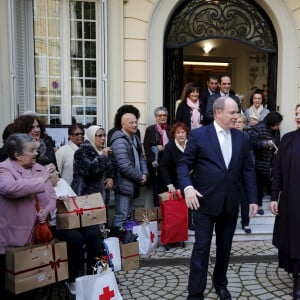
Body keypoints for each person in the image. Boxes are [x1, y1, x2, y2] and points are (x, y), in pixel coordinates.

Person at [177, 96, 258, 300]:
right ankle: (195, 292)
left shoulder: (243, 138)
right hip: (203, 202)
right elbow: (183, 165)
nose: (237, 116)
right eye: (232, 112)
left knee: (225, 248)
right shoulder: (199, 135)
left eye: (237, 112)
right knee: (202, 248)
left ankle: (220, 283)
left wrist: (253, 199)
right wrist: (187, 187)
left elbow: (248, 170)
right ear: (218, 112)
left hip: (230, 202)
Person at [0, 133, 56, 299]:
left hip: (37, 236)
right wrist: (43, 179)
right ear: (17, 155)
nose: (36, 154)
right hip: (14, 239)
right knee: (12, 285)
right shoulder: (4, 169)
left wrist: (46, 211)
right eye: (31, 150)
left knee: (32, 282)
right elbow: (10, 188)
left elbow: (51, 196)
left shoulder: (39, 168)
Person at [48, 169, 104, 296]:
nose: (56, 173)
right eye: (51, 171)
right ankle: (72, 278)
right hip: (56, 224)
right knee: (76, 238)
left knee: (93, 232)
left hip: (74, 220)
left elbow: (76, 200)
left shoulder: (62, 182)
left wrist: (70, 200)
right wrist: (57, 203)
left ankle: (93, 272)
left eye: (55, 170)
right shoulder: (42, 188)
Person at [270, 104, 300, 300]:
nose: (297, 116)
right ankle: (298, 279)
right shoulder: (288, 139)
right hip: (293, 200)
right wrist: (274, 197)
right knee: (296, 238)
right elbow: (278, 171)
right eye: (296, 113)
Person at [110, 113, 148, 227]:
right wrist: (140, 177)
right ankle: (117, 243)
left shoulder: (135, 138)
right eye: (131, 122)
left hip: (133, 184)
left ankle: (127, 243)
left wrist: (145, 173)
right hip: (123, 185)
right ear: (123, 124)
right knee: (121, 216)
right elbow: (124, 165)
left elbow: (141, 157)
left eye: (136, 122)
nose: (135, 125)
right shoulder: (119, 140)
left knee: (128, 216)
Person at [249, 111, 283, 215]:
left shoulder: (276, 130)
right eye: (276, 125)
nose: (277, 127)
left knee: (272, 183)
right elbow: (252, 144)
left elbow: (277, 142)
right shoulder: (258, 128)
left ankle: (273, 202)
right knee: (259, 185)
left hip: (272, 161)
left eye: (278, 125)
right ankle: (258, 205)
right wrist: (265, 143)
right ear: (270, 123)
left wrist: (277, 150)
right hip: (260, 161)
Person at [71, 125, 114, 200]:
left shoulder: (104, 151)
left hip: (102, 198)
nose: (103, 138)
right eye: (100, 136)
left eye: (104, 135)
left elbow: (111, 170)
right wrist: (103, 157)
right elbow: (88, 171)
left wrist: (110, 178)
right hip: (86, 197)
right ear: (92, 136)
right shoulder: (81, 152)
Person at [143, 106, 171, 206]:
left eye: (164, 115)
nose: (162, 117)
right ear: (156, 117)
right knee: (156, 193)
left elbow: (174, 146)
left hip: (169, 166)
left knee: (169, 192)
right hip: (156, 167)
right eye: (160, 115)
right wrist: (152, 161)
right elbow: (146, 147)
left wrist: (164, 148)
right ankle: (158, 216)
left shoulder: (172, 129)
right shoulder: (150, 130)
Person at [235, 114, 253, 234]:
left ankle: (245, 223)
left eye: (240, 122)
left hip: (243, 173)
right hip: (231, 174)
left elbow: (250, 156)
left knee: (244, 199)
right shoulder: (228, 135)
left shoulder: (246, 137)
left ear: (244, 125)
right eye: (235, 121)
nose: (237, 124)